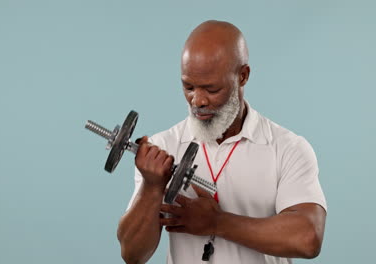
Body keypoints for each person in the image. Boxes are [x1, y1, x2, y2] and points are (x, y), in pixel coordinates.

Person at [117, 20, 327, 264]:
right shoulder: (161, 147)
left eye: (211, 89)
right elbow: (132, 254)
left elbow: (307, 239)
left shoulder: (287, 148)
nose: (197, 101)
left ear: (243, 76)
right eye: (189, 87)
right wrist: (152, 187)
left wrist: (218, 222)